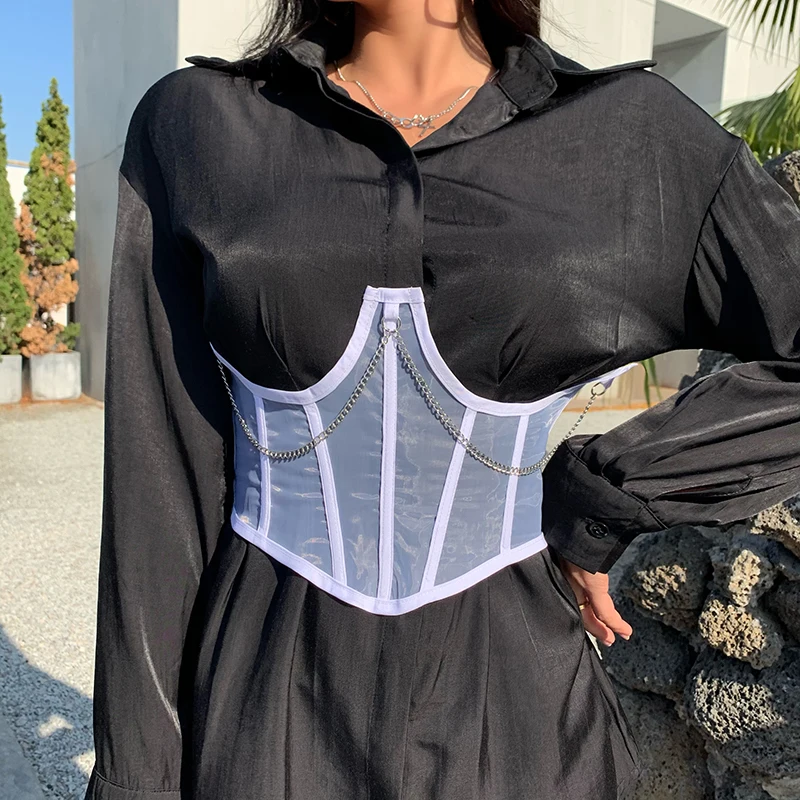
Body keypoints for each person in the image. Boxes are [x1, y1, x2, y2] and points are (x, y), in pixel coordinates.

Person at [85, 1, 800, 798]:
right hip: (269, 695)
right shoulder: (199, 127)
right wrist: (135, 778)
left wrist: (607, 491)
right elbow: (157, 474)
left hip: (517, 705)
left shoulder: (633, 137)